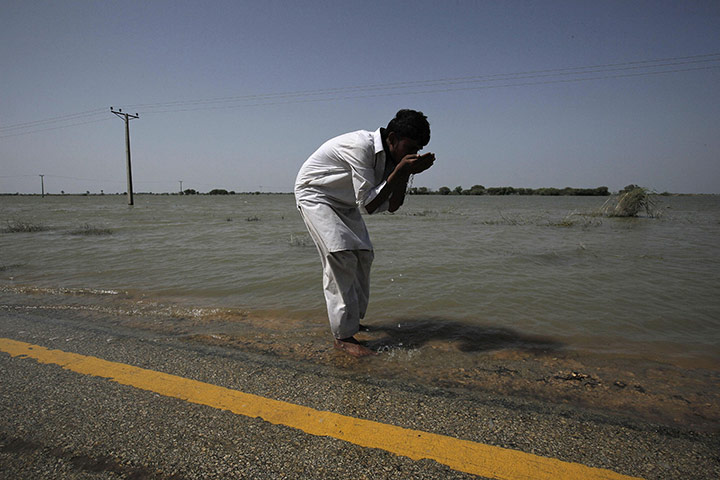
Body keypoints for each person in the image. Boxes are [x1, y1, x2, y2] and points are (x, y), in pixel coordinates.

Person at [294, 109, 435, 357]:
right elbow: (369, 205)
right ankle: (343, 337)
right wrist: (401, 171)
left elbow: (393, 206)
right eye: (410, 147)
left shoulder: (393, 160)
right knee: (341, 255)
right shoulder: (362, 146)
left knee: (364, 255)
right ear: (392, 138)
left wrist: (405, 172)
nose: (413, 154)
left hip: (345, 201)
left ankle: (352, 321)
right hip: (315, 193)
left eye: (418, 149)